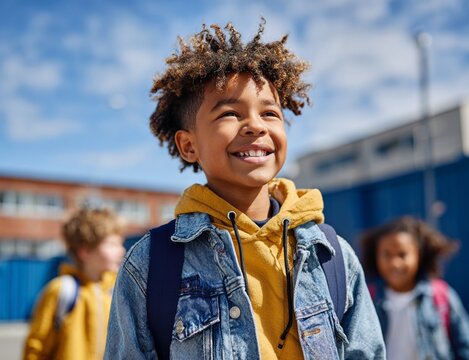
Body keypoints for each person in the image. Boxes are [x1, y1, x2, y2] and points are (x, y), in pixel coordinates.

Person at [105, 19, 385, 359]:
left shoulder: (332, 256)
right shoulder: (152, 264)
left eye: (270, 112)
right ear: (188, 145)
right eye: (230, 114)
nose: (255, 125)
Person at [360, 216, 469, 360]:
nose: (395, 263)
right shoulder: (366, 299)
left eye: (402, 255)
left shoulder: (441, 296)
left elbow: (466, 347)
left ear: (419, 256)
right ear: (375, 257)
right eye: (386, 255)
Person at [22, 207, 125, 360]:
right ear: (85, 251)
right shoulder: (61, 290)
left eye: (120, 243)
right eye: (112, 244)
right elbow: (36, 349)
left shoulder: (119, 292)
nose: (122, 250)